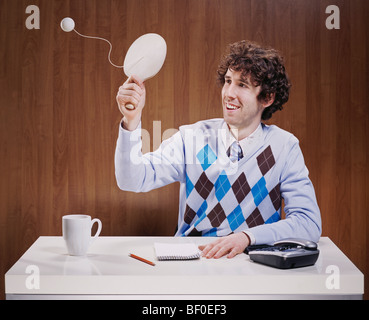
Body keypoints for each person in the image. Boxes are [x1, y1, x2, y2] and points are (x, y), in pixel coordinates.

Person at [115, 40, 321, 259]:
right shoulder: (192, 138)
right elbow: (131, 180)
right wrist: (132, 121)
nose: (229, 93)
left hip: (253, 264)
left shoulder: (285, 148)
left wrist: (247, 237)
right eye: (228, 81)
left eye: (242, 85)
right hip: (193, 263)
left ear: (267, 98)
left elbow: (308, 222)